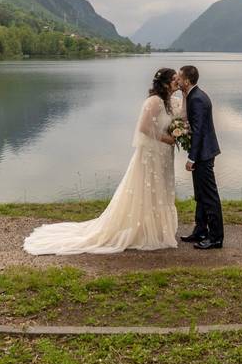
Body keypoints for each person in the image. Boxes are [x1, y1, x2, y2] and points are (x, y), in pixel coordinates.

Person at [23, 68, 181, 255]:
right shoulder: (154, 101)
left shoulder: (170, 102)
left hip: (163, 155)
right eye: (174, 80)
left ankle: (156, 228)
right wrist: (167, 139)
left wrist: (178, 131)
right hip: (151, 154)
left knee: (160, 189)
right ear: (164, 83)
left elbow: (177, 118)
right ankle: (143, 230)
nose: (177, 83)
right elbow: (144, 128)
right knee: (147, 189)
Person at [177, 65, 224, 249]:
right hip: (203, 153)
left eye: (180, 78)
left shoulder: (197, 99)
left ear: (187, 81)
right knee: (201, 195)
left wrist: (191, 158)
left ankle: (216, 237)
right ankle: (200, 230)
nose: (177, 81)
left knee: (210, 197)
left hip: (203, 155)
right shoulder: (194, 96)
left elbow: (198, 132)